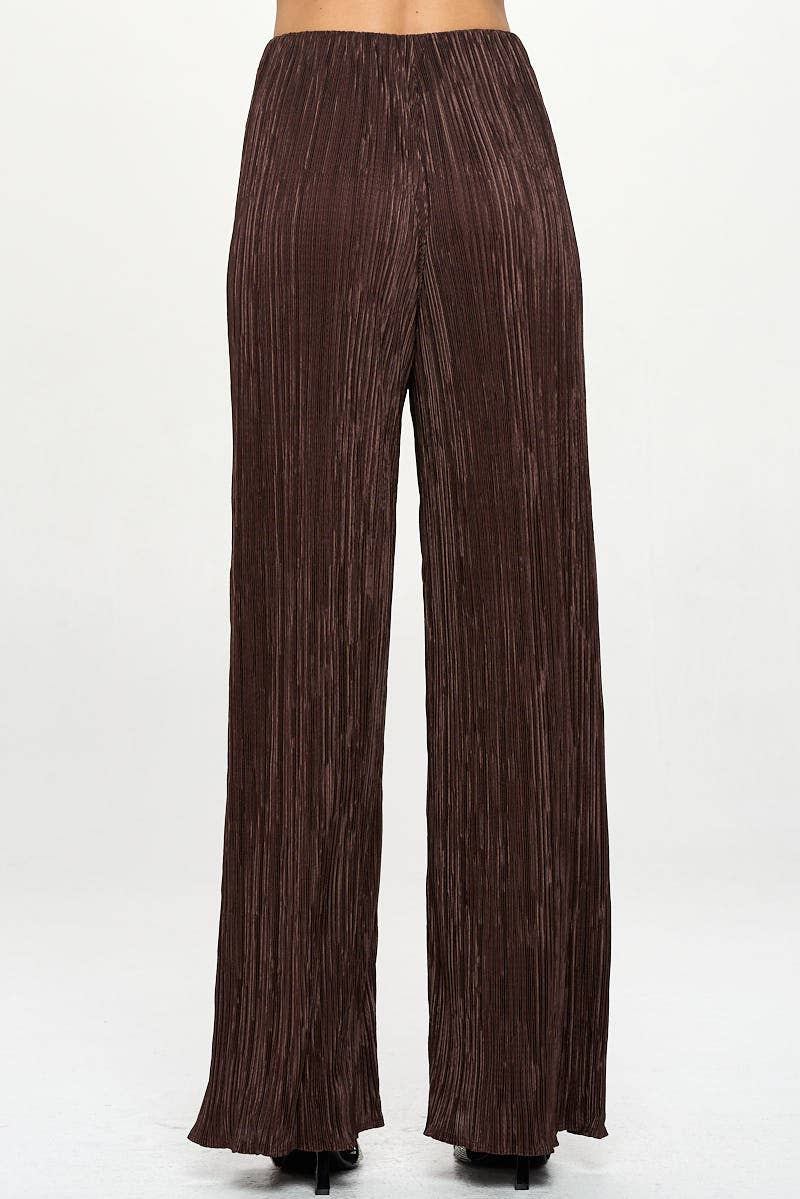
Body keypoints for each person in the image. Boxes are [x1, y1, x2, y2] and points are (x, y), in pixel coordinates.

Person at [188, 0, 611, 1192]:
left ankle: (295, 1089)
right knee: (522, 618)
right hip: (492, 133)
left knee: (303, 614)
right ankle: (513, 1093)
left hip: (314, 131)